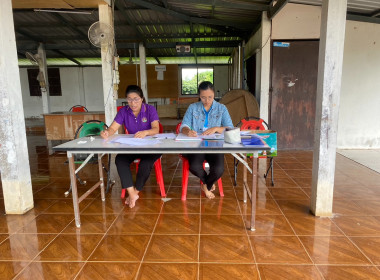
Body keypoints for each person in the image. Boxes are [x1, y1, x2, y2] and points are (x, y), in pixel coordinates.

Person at [100, 85, 161, 208]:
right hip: (133, 146)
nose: (133, 103)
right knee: (120, 160)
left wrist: (146, 132)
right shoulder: (123, 111)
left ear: (142, 98)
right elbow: (112, 128)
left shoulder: (150, 110)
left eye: (136, 99)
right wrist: (107, 132)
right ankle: (131, 192)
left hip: (151, 146)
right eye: (129, 99)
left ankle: (134, 193)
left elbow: (156, 129)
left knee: (146, 163)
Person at [180, 81, 233, 199]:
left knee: (219, 169)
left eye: (210, 97)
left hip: (215, 145)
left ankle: (206, 185)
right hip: (196, 144)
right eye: (203, 97)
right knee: (194, 166)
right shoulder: (193, 108)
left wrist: (216, 128)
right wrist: (187, 131)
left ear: (214, 94)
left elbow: (230, 128)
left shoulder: (221, 108)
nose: (207, 100)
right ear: (199, 96)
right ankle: (207, 184)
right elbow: (184, 125)